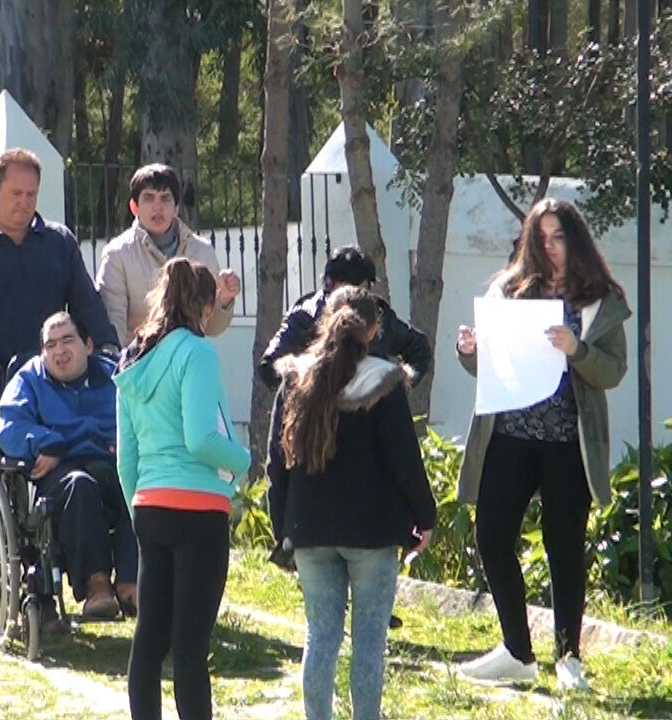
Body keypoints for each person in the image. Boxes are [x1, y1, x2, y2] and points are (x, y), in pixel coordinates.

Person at [454, 197, 629, 691]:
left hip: (567, 443)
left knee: (565, 548)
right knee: (491, 536)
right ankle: (517, 650)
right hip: (508, 436)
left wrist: (577, 349)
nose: (549, 247)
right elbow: (481, 363)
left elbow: (613, 370)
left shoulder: (599, 298)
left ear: (575, 240)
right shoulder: (508, 290)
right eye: (542, 238)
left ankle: (568, 657)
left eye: (558, 237)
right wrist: (468, 349)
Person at [266, 285, 435, 720]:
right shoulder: (385, 379)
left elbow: (276, 462)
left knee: (321, 635)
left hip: (309, 529)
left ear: (326, 321)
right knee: (369, 640)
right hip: (373, 531)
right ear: (374, 329)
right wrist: (425, 515)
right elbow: (403, 459)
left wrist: (282, 526)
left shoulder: (295, 379)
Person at [0, 148, 119, 505]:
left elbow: (86, 304)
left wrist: (108, 351)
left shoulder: (58, 242)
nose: (24, 202)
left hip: (55, 396)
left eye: (31, 194)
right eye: (15, 193)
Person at [115, 257, 251, 720]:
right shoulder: (197, 352)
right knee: (190, 648)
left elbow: (125, 457)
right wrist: (245, 461)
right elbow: (202, 439)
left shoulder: (133, 358)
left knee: (149, 640)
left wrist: (140, 506)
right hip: (198, 509)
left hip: (150, 505)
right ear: (207, 308)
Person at [0, 311, 138, 618]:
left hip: (110, 464)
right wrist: (48, 442)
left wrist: (127, 440)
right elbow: (8, 430)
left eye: (67, 341)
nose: (59, 351)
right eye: (50, 345)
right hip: (59, 474)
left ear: (88, 345)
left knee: (138, 484)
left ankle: (130, 583)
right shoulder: (29, 379)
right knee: (80, 485)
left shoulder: (116, 375)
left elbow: (143, 417)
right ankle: (97, 586)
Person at [95, 163, 240, 344]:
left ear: (176, 207)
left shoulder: (202, 251)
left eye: (165, 198)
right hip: (141, 366)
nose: (158, 207)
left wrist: (225, 299)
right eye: (149, 198)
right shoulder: (117, 255)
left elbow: (212, 328)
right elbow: (113, 325)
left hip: (190, 362)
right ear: (134, 207)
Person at [258, 245, 432, 390]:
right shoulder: (305, 316)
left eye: (363, 290)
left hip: (370, 418)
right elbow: (269, 366)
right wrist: (306, 389)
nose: (356, 297)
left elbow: (419, 347)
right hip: (319, 422)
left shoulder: (378, 313)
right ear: (329, 283)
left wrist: (395, 388)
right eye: (350, 289)